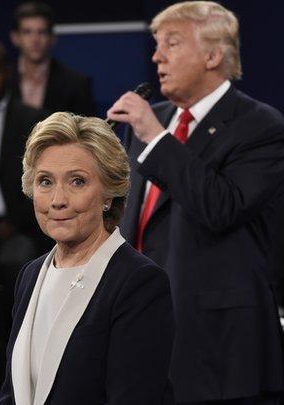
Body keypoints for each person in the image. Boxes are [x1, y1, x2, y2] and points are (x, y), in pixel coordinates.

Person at [107, 1, 284, 404]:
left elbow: (222, 207)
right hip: (141, 327)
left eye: (172, 42)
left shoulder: (260, 124)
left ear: (212, 55)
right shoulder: (150, 121)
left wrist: (157, 137)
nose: (157, 55)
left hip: (216, 347)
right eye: (156, 44)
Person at [0, 112, 175, 405]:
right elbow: (13, 393)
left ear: (109, 193)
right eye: (45, 182)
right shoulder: (30, 275)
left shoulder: (138, 282)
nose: (58, 199)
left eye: (77, 182)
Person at [0, 36, 49, 391]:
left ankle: (15, 364)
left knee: (20, 261)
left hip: (17, 228)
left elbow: (42, 181)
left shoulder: (30, 121)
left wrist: (14, 224)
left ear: (5, 72)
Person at [10, 2, 94, 115]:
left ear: (52, 38)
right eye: (27, 32)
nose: (35, 40)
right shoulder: (3, 80)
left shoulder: (76, 84)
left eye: (42, 32)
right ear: (15, 38)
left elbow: (85, 130)